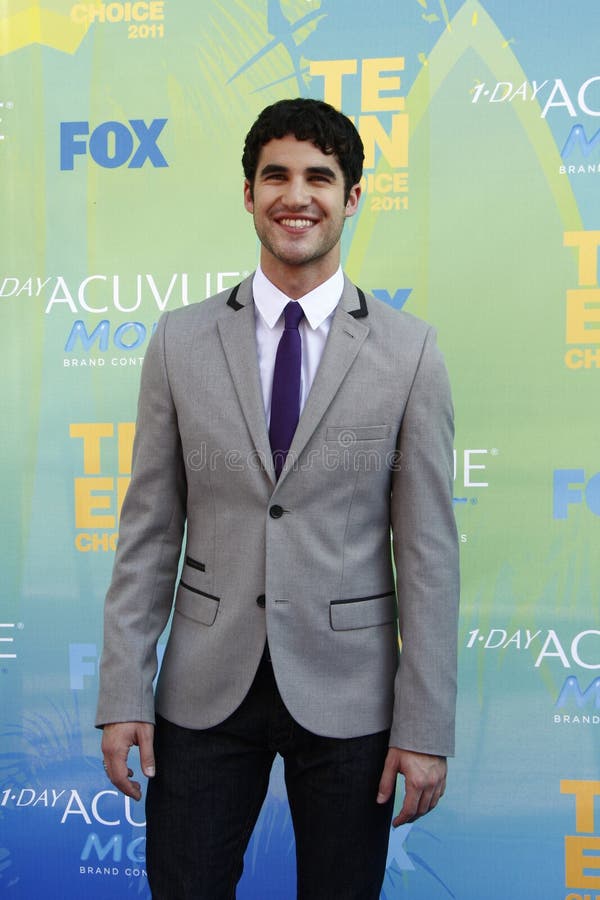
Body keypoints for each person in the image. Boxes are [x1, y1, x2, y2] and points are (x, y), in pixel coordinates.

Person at [97, 97, 459, 900]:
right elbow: (149, 531)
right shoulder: (179, 341)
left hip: (350, 692)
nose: (298, 195)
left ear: (353, 196)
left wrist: (425, 728)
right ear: (250, 194)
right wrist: (124, 689)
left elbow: (429, 554)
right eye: (277, 177)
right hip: (203, 685)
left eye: (320, 178)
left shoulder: (411, 353)